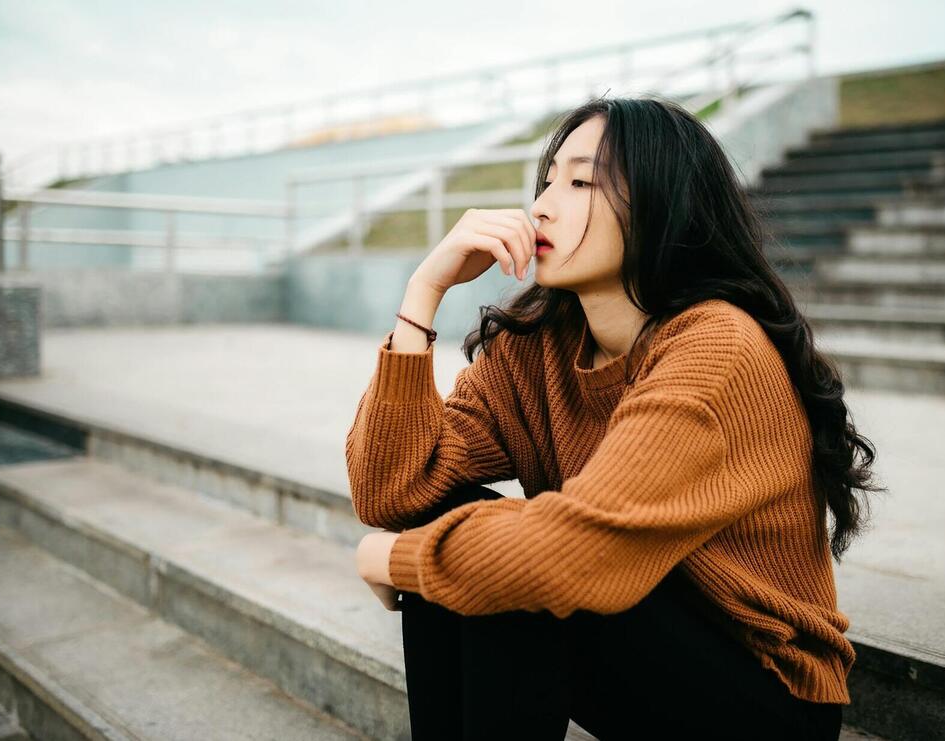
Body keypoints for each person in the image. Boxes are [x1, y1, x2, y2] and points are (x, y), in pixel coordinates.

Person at [346, 95, 885, 740]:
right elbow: (393, 490)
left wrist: (394, 560)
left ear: (662, 204)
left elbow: (573, 553)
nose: (542, 205)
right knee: (471, 533)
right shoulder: (538, 342)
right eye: (546, 182)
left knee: (516, 558)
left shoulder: (717, 345)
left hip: (759, 690)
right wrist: (421, 296)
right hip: (633, 641)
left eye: (580, 182)